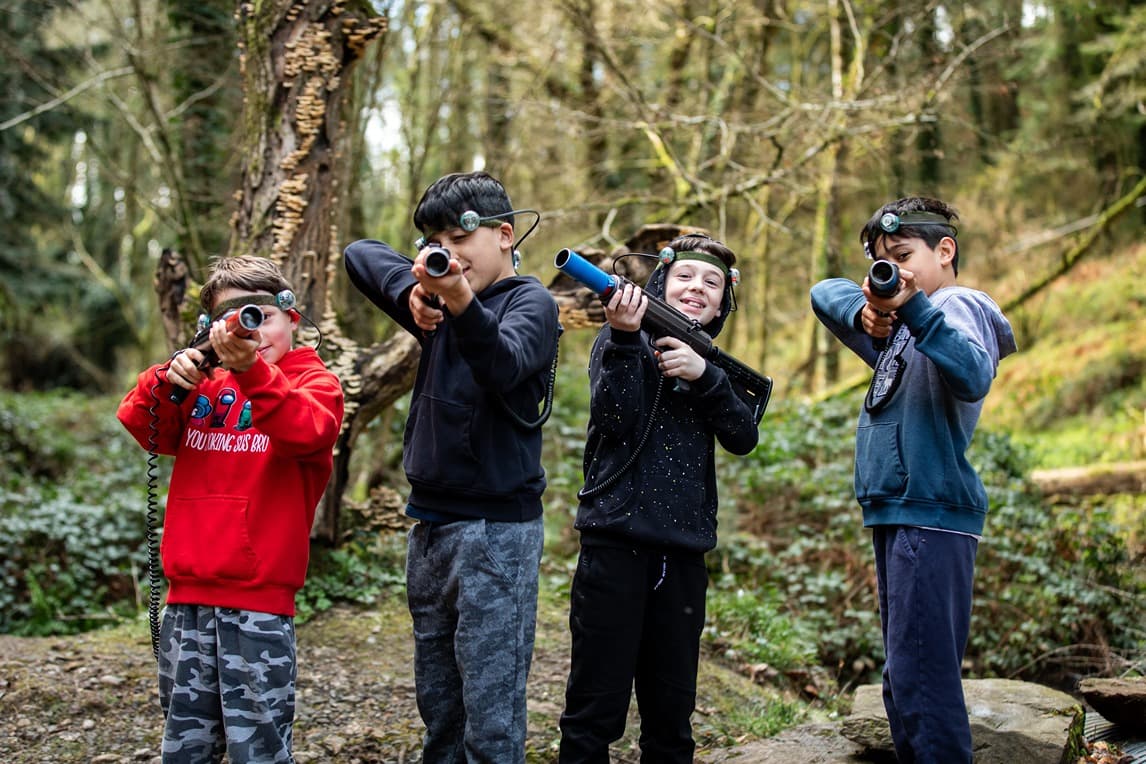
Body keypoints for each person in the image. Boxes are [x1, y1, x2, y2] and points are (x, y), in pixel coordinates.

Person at [343, 171, 561, 763]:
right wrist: (419, 294)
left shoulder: (531, 302)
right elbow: (359, 254)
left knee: (490, 721)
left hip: (496, 535)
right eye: (433, 241)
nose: (448, 253)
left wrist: (460, 302)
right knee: (440, 710)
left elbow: (503, 363)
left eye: (459, 238)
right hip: (431, 530)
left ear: (505, 235)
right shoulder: (434, 303)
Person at [810, 197, 1016, 763]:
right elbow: (824, 293)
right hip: (900, 509)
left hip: (931, 511)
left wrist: (917, 309)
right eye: (884, 261)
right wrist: (867, 313)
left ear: (944, 251)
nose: (895, 271)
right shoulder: (900, 326)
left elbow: (974, 373)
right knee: (905, 681)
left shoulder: (958, 303)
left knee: (923, 685)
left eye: (905, 256)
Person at [117, 255, 345, 763]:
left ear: (293, 318)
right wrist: (173, 375)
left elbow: (308, 430)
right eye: (234, 322)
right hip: (186, 598)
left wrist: (252, 373)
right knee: (184, 745)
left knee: (257, 748)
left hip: (259, 604)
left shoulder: (315, 383)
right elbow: (140, 423)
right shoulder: (204, 385)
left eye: (260, 317)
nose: (252, 333)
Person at [558, 233, 760, 763]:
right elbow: (614, 420)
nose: (697, 288)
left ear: (724, 300)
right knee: (593, 713)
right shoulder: (617, 337)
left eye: (711, 282)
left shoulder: (714, 366)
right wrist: (626, 340)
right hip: (613, 550)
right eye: (686, 277)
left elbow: (744, 436)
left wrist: (705, 377)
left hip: (685, 558)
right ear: (661, 282)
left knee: (671, 720)